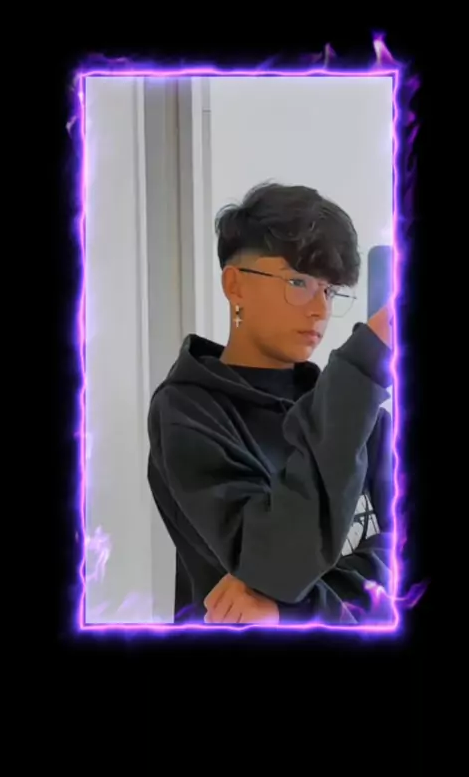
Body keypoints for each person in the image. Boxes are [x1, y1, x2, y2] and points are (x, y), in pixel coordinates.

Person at [147, 182, 393, 625]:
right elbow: (274, 565)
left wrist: (296, 611)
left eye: (329, 290)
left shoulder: (360, 414)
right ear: (235, 284)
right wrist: (364, 365)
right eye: (298, 282)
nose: (320, 309)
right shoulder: (187, 414)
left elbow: (401, 564)